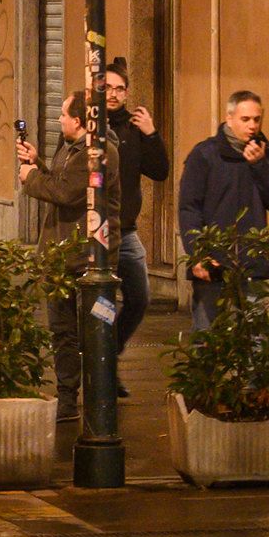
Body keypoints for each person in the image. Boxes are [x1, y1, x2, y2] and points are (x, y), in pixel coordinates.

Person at [17, 91, 121, 422]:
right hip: (63, 257)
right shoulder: (71, 149)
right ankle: (67, 396)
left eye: (63, 114)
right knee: (63, 331)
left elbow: (66, 192)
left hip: (89, 259)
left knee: (95, 331)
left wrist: (30, 177)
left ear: (78, 121)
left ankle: (96, 398)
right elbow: (64, 182)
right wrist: (39, 164)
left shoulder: (99, 153)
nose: (59, 118)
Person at [178, 91, 269, 331]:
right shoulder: (205, 155)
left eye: (257, 119)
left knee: (256, 340)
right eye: (245, 119)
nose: (252, 125)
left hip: (252, 263)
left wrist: (260, 166)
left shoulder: (266, 156)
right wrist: (198, 253)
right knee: (207, 337)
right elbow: (189, 208)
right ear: (229, 118)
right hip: (214, 264)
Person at [105, 61, 170, 392]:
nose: (113, 94)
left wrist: (152, 133)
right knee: (100, 304)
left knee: (139, 298)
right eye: (107, 88)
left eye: (119, 89)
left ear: (126, 92)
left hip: (127, 232)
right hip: (96, 235)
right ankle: (103, 371)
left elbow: (160, 171)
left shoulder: (133, 129)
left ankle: (108, 353)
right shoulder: (89, 126)